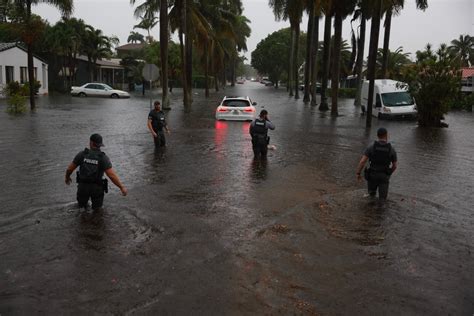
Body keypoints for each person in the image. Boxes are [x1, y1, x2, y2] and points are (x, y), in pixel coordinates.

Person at [65, 133, 127, 210]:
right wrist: (121, 187)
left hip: (83, 187)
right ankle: (96, 221)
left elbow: (70, 169)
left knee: (81, 209)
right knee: (98, 210)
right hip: (97, 188)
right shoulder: (103, 158)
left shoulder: (82, 154)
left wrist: (67, 177)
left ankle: (82, 220)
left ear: (91, 142)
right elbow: (111, 175)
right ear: (100, 145)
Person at [356, 127, 398, 200]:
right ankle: (380, 210)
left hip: (373, 175)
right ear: (386, 135)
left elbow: (362, 162)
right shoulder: (391, 149)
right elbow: (395, 166)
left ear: (377, 135)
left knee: (371, 196)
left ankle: (370, 210)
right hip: (384, 176)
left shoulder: (371, 147)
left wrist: (358, 173)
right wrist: (389, 173)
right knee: (383, 199)